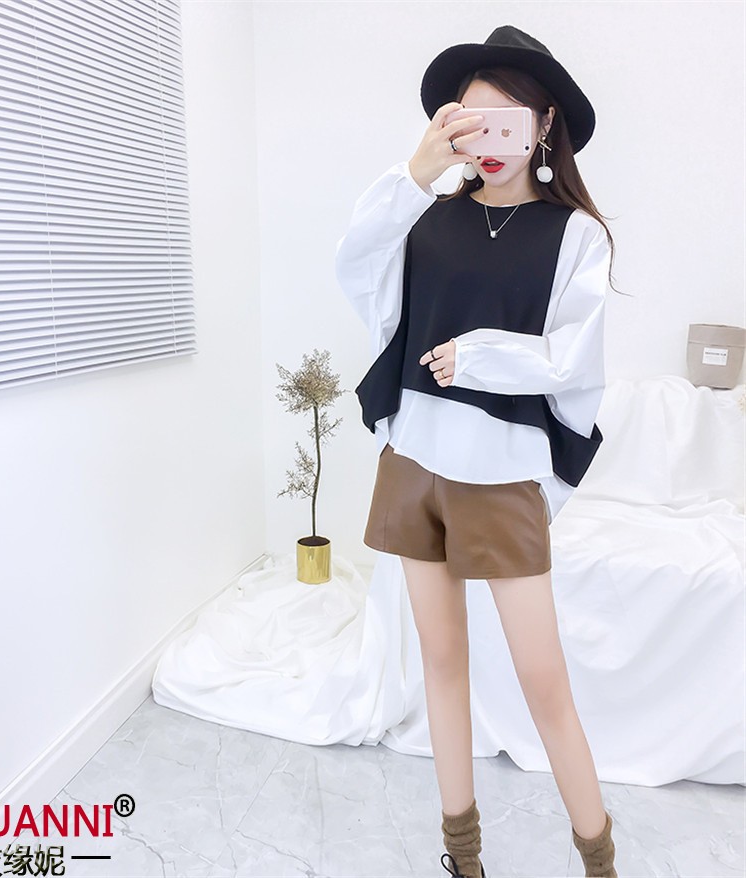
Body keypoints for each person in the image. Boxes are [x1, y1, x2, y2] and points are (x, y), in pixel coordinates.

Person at [335, 25, 620, 878]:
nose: (487, 140)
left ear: (545, 124)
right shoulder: (426, 215)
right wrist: (414, 172)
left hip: (500, 478)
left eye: (507, 122)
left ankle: (600, 863)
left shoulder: (576, 236)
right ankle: (464, 858)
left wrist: (485, 356)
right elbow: (355, 270)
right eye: (471, 123)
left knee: (544, 682)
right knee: (441, 661)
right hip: (413, 463)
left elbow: (575, 362)